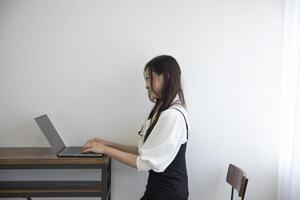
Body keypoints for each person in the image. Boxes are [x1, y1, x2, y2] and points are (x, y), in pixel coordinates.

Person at [82, 55, 190, 200]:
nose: (146, 85)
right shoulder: (164, 111)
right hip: (158, 190)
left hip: (168, 194)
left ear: (164, 77)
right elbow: (143, 151)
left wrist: (105, 150)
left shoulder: (173, 116)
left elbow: (144, 163)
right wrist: (108, 143)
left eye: (147, 78)